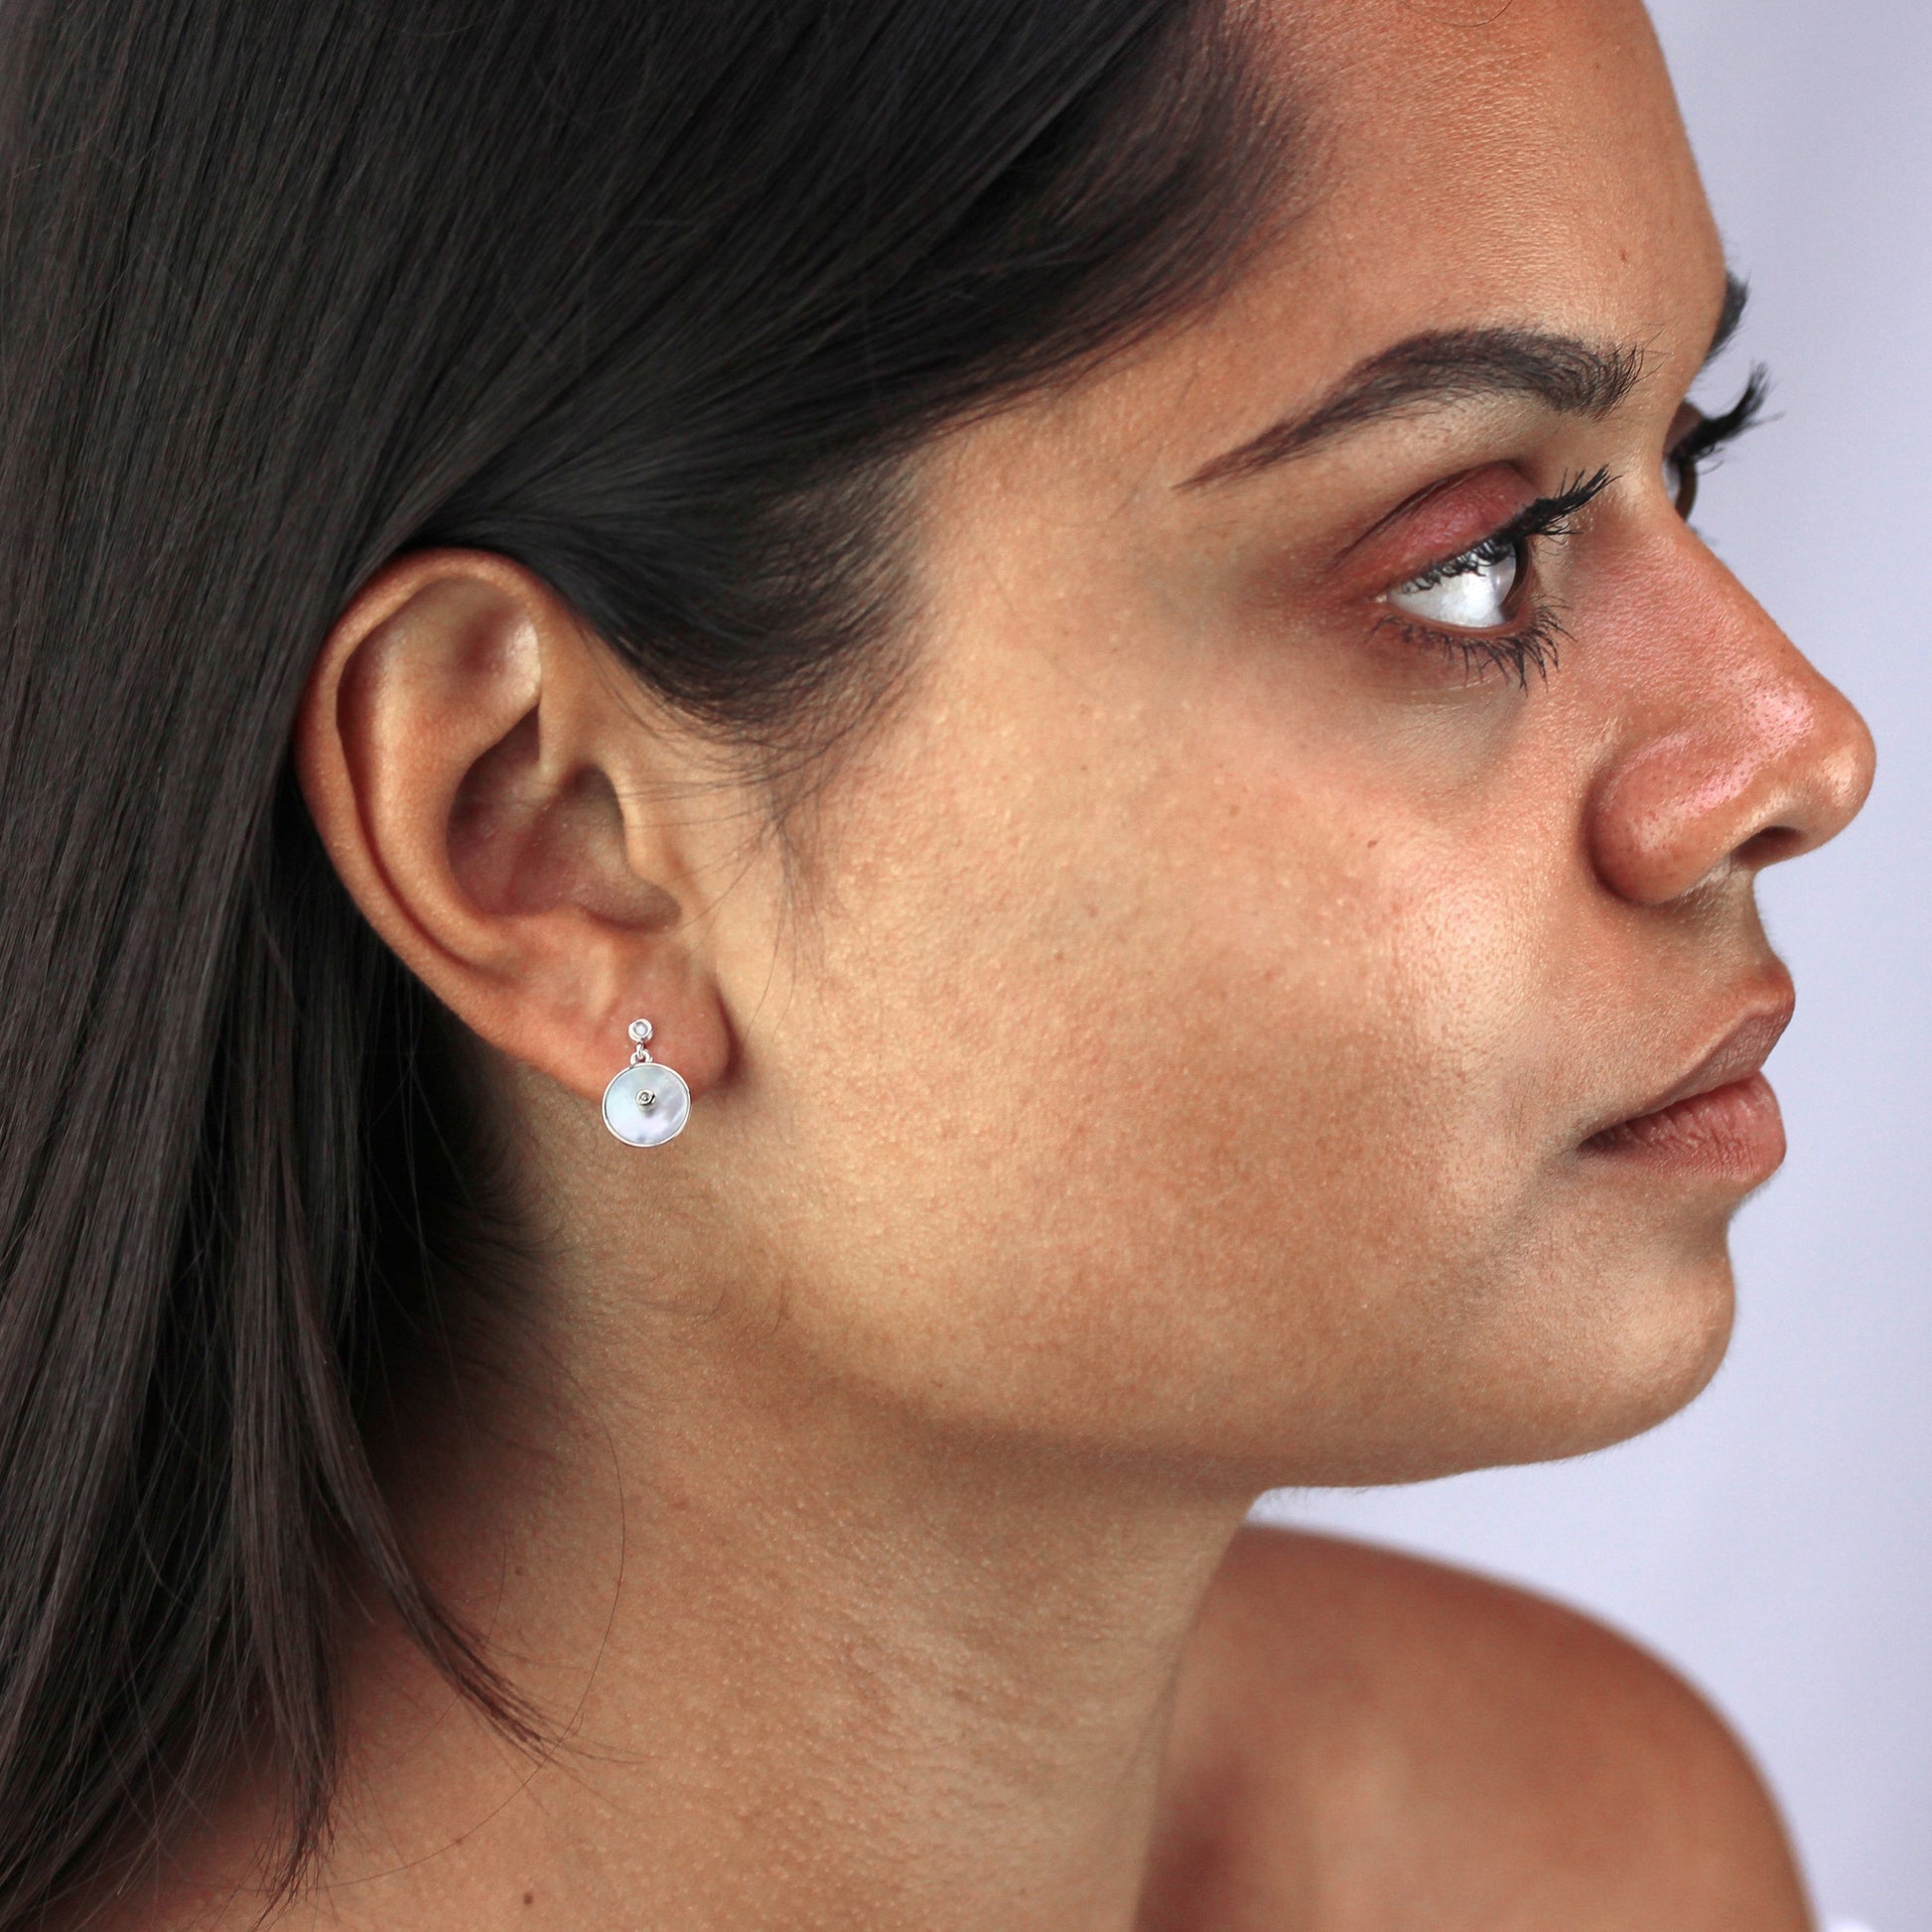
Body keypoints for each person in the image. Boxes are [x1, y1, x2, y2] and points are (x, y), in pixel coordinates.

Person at [0, 0, 1874, 1925]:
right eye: (1468, 561)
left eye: (1687, 458)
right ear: (549, 831)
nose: (1800, 748)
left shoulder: (1572, 1864)